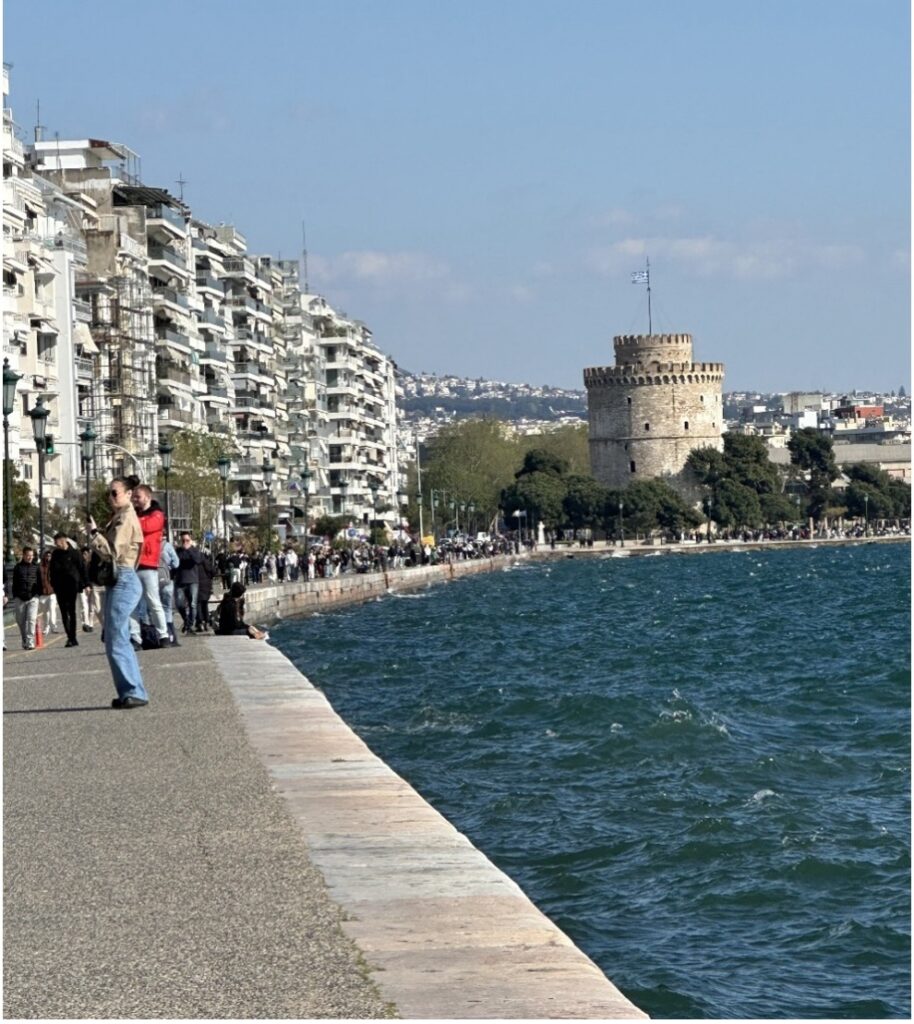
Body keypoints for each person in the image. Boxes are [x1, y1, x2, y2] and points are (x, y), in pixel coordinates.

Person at [88, 475, 148, 709]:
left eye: (115, 493)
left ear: (128, 494)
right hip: (121, 579)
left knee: (116, 637)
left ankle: (133, 691)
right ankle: (129, 691)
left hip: (123, 577)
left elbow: (112, 552)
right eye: (109, 493)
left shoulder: (125, 518)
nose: (111, 497)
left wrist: (94, 534)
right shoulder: (119, 517)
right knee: (116, 636)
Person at [130, 484, 170, 648]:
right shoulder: (135, 513)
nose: (135, 500)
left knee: (153, 601)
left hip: (148, 563)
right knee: (132, 603)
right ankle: (135, 637)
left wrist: (133, 521)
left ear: (147, 497)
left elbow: (145, 527)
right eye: (134, 497)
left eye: (138, 496)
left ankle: (163, 634)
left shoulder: (157, 514)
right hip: (133, 563)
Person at [49, 533, 87, 647]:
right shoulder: (55, 554)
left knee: (71, 611)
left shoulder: (75, 553)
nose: (56, 544)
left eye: (57, 542)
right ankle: (69, 636)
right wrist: (53, 583)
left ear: (64, 540)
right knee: (63, 612)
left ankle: (73, 637)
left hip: (72, 585)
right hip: (59, 587)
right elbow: (51, 570)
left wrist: (86, 584)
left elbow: (82, 568)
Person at [11, 546, 41, 650]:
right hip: (20, 598)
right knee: (21, 621)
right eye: (28, 555)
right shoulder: (17, 567)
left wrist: (38, 594)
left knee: (32, 619)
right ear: (23, 555)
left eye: (31, 555)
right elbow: (14, 583)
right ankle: (24, 639)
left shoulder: (36, 567)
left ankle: (30, 642)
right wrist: (15, 596)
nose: (30, 557)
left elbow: (40, 581)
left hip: (33, 598)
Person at [174, 531, 203, 633]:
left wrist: (189, 549)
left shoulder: (195, 550)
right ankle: (186, 621)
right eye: (183, 540)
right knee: (179, 604)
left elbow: (197, 560)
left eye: (187, 540)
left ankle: (189, 625)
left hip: (192, 580)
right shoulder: (178, 551)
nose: (185, 542)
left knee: (193, 604)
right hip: (180, 580)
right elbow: (175, 562)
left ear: (191, 540)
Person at [158, 536, 180, 646]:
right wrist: (168, 567)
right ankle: (171, 636)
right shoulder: (167, 546)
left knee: (155, 608)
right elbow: (176, 563)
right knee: (167, 608)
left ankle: (159, 636)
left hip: (152, 580)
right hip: (166, 580)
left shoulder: (148, 543)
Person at [37, 548, 60, 636]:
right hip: (42, 593)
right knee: (45, 612)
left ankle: (53, 626)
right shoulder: (40, 567)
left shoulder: (54, 565)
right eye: (46, 555)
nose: (48, 557)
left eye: (50, 556)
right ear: (44, 556)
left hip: (52, 592)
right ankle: (46, 627)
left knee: (52, 609)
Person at [79, 547, 100, 632]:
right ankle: (85, 623)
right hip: (82, 587)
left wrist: (90, 585)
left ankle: (90, 623)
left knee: (92, 606)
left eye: (86, 554)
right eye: (83, 554)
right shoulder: (79, 564)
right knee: (84, 605)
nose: (84, 556)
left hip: (91, 586)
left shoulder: (92, 564)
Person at [196, 548, 216, 632]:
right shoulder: (206, 562)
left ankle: (200, 622)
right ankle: (207, 622)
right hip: (206, 585)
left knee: (198, 604)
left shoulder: (195, 562)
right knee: (205, 603)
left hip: (197, 584)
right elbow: (213, 572)